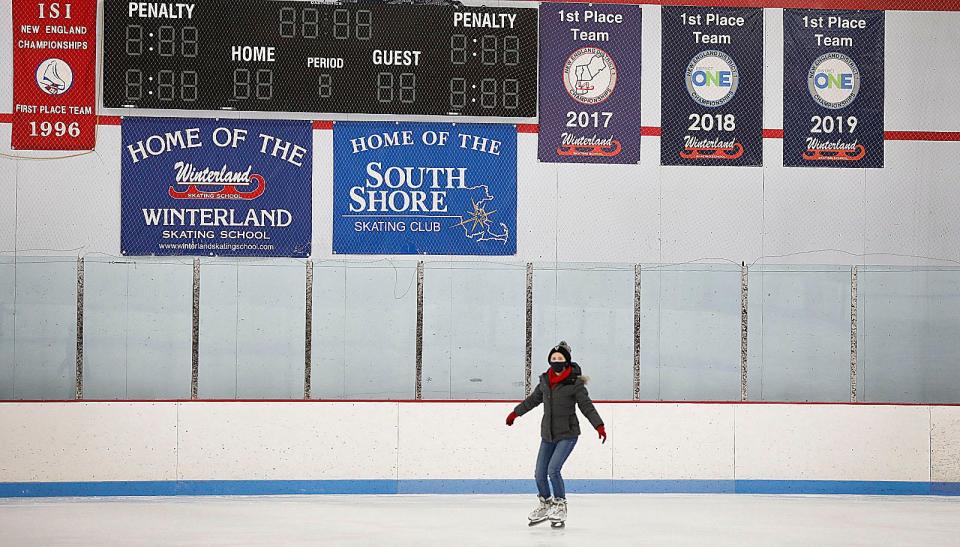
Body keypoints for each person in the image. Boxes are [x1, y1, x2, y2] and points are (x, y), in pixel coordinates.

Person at [505, 341, 607, 526]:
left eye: (560, 358)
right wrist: (515, 413)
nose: (556, 361)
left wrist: (598, 425)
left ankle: (560, 505)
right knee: (539, 473)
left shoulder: (575, 383)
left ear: (567, 361)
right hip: (548, 435)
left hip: (567, 434)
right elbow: (532, 400)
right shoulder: (545, 381)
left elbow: (587, 407)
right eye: (553, 358)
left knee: (553, 469)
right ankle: (545, 503)